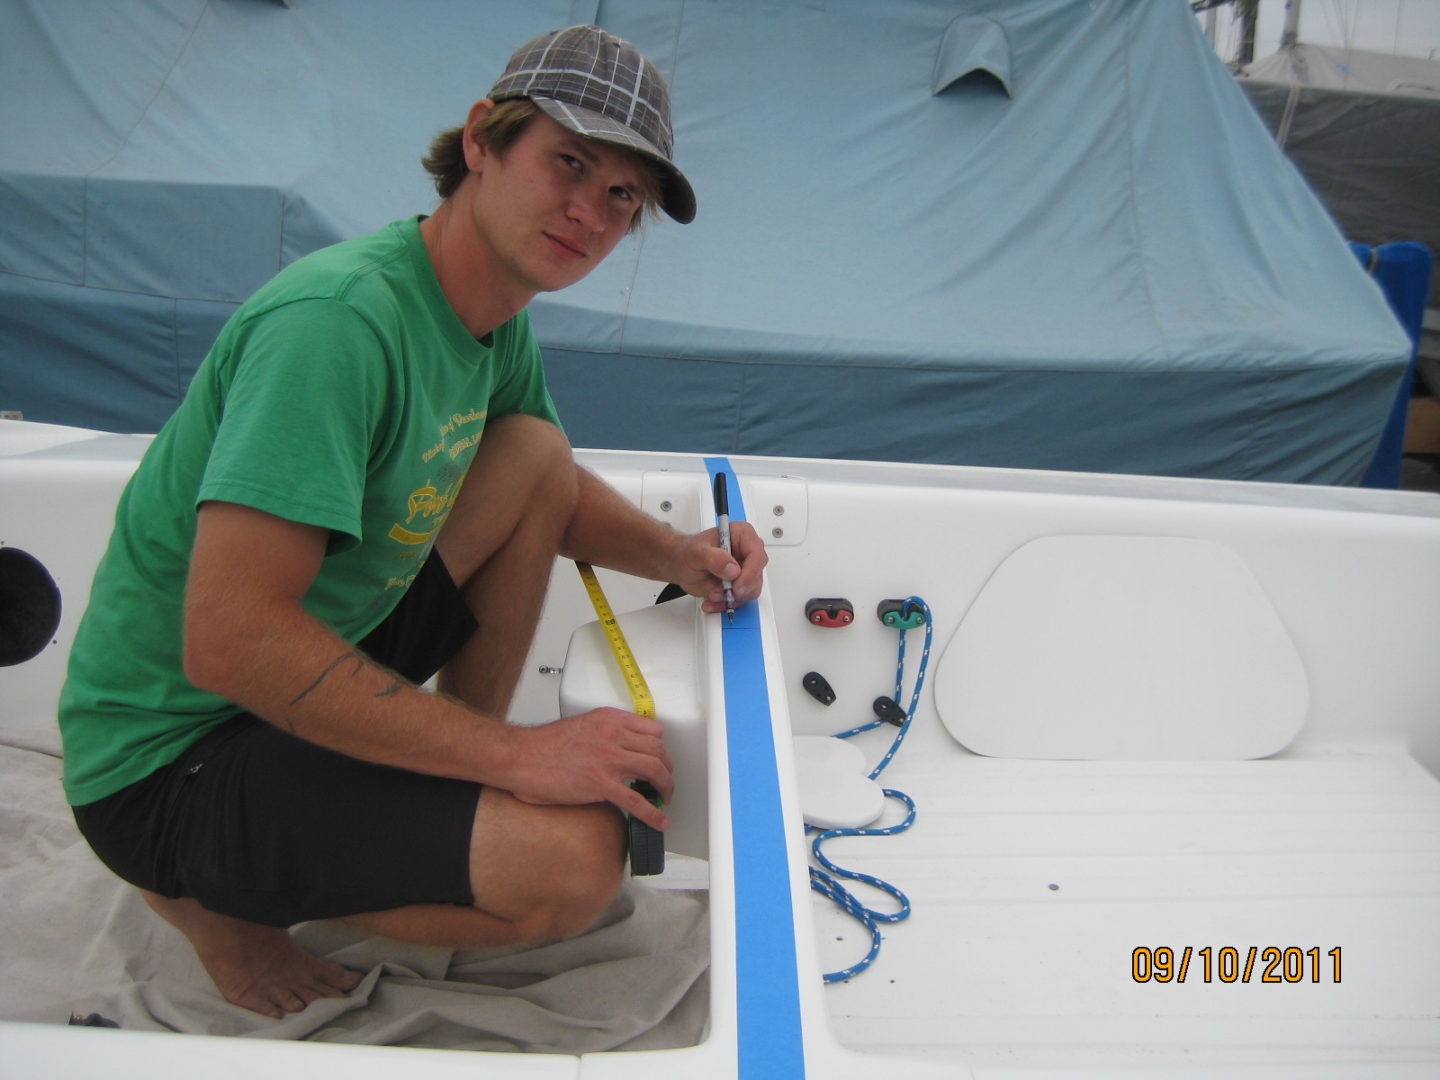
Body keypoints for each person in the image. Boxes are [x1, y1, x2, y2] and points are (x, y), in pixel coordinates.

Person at [57, 25, 766, 1020]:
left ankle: (444, 783)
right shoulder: (339, 323)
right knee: (579, 869)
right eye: (568, 162)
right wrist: (522, 762)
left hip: (319, 659)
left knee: (530, 454)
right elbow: (228, 642)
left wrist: (684, 557)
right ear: (482, 140)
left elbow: (547, 490)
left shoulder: (490, 316)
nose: (591, 213)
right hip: (175, 760)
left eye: (621, 196)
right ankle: (206, 905)